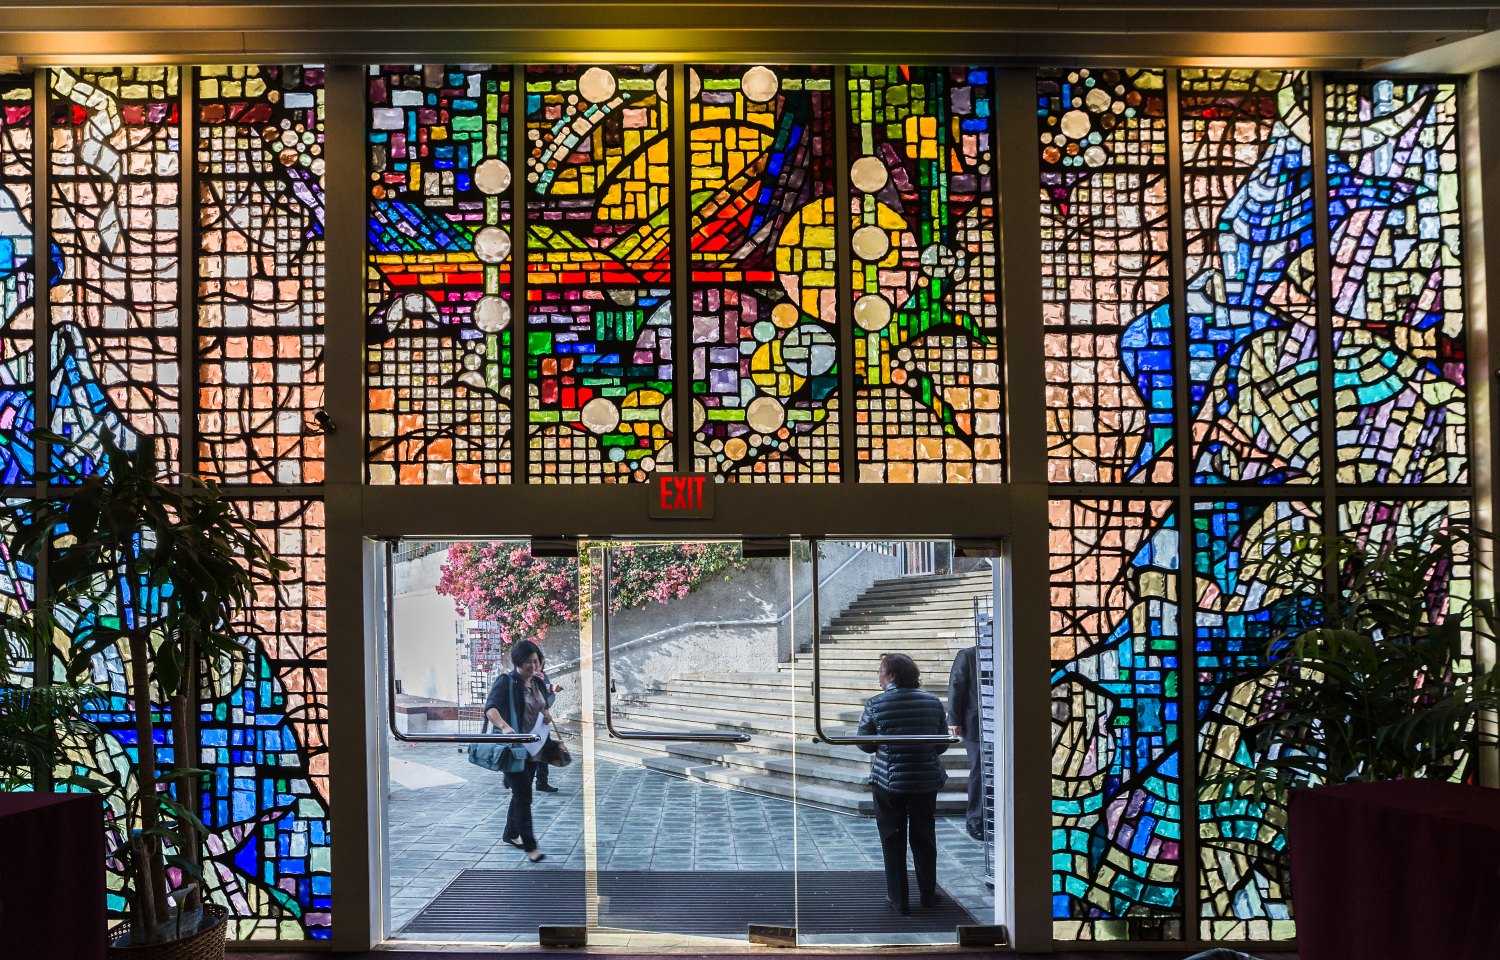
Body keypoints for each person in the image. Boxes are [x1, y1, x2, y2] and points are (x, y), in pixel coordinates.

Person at [857, 652, 950, 915]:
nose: (879, 677)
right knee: (924, 837)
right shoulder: (932, 702)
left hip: (888, 781)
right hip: (925, 780)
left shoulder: (876, 704)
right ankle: (929, 895)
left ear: (892, 675)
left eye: (880, 672)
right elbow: (942, 744)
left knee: (892, 838)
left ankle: (899, 900)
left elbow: (864, 743)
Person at [483, 639, 552, 863]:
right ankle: (531, 847)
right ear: (517, 662)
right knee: (524, 795)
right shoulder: (506, 682)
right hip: (512, 748)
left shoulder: (538, 683)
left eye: (536, 661)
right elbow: (490, 708)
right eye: (527, 662)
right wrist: (504, 726)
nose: (533, 666)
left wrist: (547, 714)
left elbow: (543, 705)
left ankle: (510, 834)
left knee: (520, 793)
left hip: (532, 747)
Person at [947, 643, 984, 841]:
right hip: (976, 724)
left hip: (1005, 722)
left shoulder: (1009, 651)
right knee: (979, 769)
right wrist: (953, 719)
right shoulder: (968, 655)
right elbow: (956, 685)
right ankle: (975, 820)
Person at [533, 648, 563, 794]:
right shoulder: (522, 677)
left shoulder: (543, 676)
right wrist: (550, 688)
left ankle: (542, 781)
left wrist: (546, 709)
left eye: (540, 660)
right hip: (527, 722)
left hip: (541, 721)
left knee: (543, 751)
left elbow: (547, 700)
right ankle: (511, 775)